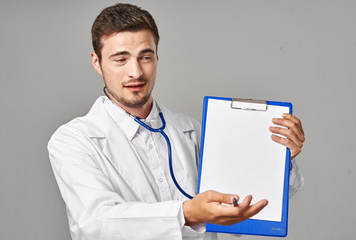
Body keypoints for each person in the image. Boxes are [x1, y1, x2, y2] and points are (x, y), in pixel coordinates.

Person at [48, 3, 305, 240]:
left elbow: (239, 212)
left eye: (145, 56)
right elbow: (96, 223)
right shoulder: (74, 140)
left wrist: (278, 160)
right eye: (121, 59)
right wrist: (186, 213)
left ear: (157, 57)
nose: (135, 72)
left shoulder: (191, 130)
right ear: (97, 62)